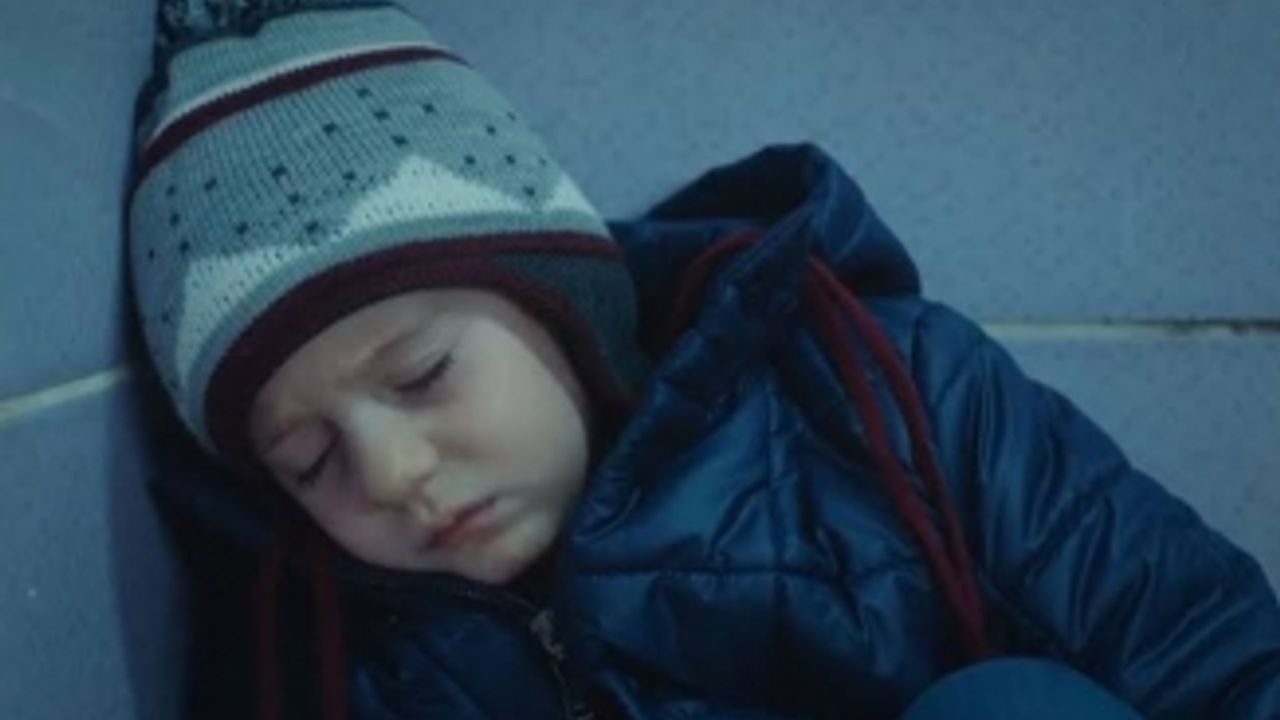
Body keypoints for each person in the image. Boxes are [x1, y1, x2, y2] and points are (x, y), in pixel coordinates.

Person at [125, 2, 1280, 718]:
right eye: (307, 459)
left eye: (422, 374)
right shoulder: (327, 651)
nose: (391, 475)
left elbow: (1211, 658)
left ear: (565, 309)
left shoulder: (891, 392)